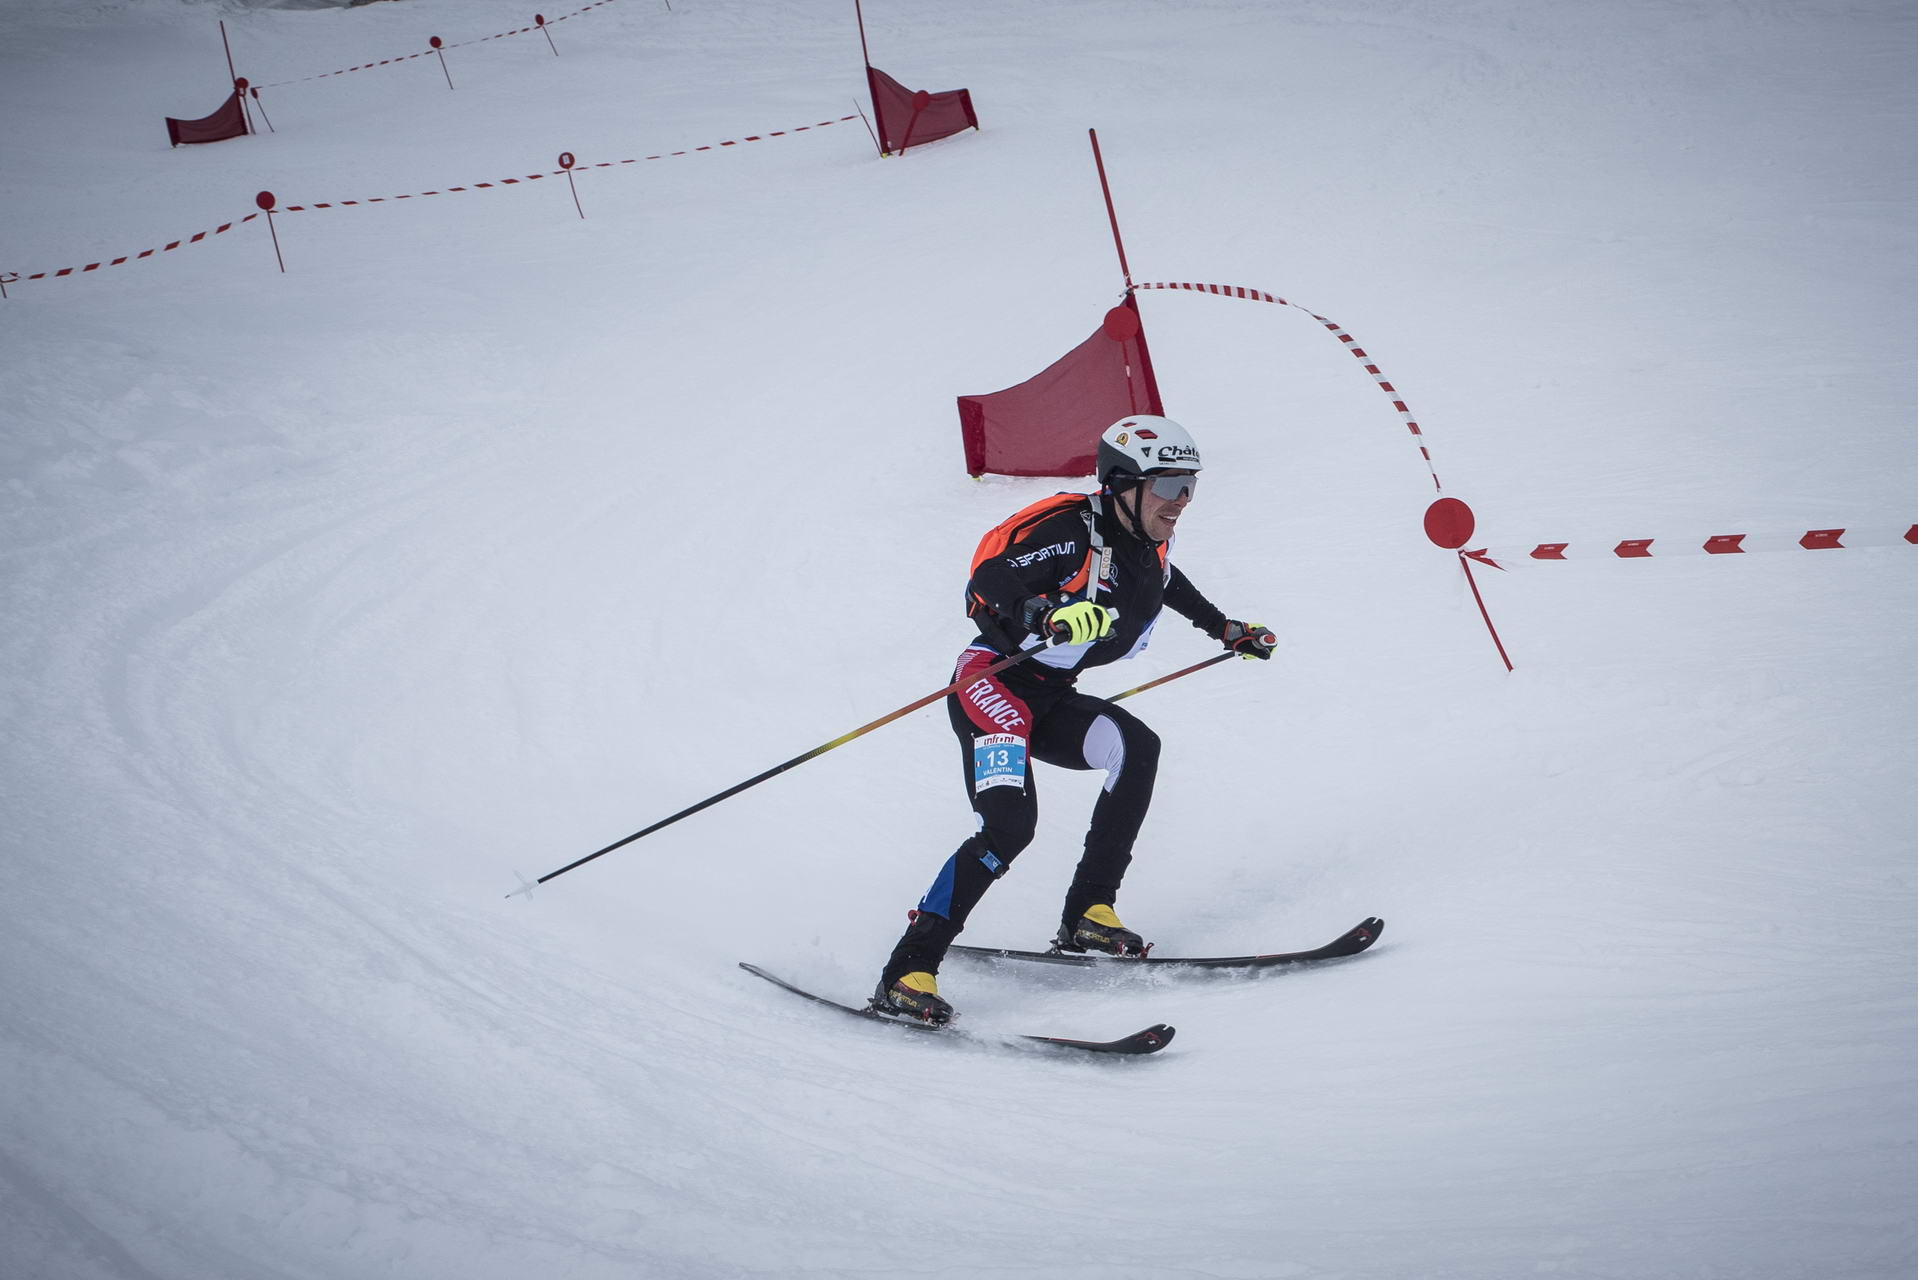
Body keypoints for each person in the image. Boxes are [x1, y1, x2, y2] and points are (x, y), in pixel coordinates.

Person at [873, 415, 1275, 1024]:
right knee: (1009, 827)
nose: (1182, 501)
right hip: (991, 690)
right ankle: (908, 969)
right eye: (1168, 486)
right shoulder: (1068, 528)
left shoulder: (1144, 545)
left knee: (1136, 747)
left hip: (1053, 695)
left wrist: (1224, 628)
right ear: (1123, 484)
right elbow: (989, 581)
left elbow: (1167, 583)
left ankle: (1089, 911)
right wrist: (1044, 613)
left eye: (1190, 485)